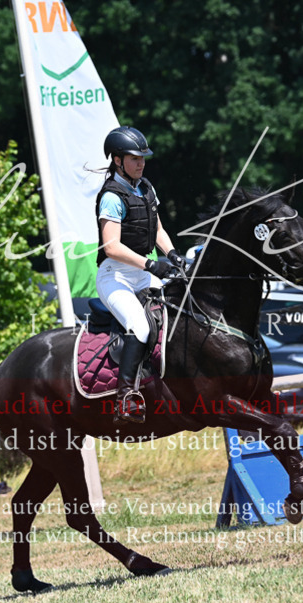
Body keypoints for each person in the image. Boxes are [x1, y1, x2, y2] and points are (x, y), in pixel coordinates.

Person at [96, 125, 184, 424]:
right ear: (118, 160)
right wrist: (149, 264)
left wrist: (172, 255)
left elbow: (158, 230)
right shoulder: (111, 195)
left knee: (177, 310)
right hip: (116, 276)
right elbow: (111, 247)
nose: (141, 163)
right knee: (141, 327)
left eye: (143, 158)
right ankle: (125, 398)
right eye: (135, 158)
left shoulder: (145, 187)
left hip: (141, 272)